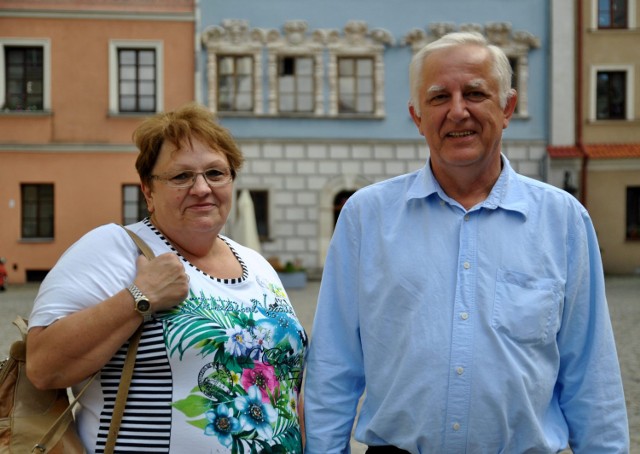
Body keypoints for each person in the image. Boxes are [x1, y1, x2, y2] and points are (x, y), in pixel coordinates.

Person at [303, 32, 629, 453]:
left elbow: (591, 374)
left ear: (508, 107)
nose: (458, 111)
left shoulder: (562, 220)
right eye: (439, 98)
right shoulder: (365, 217)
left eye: (475, 93)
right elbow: (334, 366)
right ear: (417, 116)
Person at [27, 103, 307, 453]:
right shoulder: (114, 249)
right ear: (148, 191)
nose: (202, 188)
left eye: (216, 173)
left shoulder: (256, 263)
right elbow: (43, 367)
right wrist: (139, 296)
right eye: (181, 177)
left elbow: (286, 387)